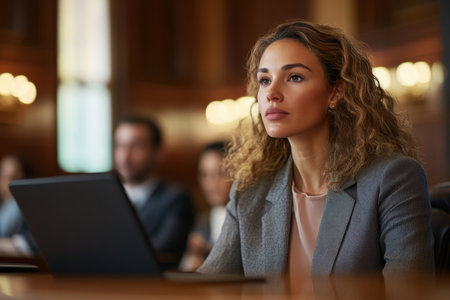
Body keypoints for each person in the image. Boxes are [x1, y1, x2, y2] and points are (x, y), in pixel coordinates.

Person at [198, 19, 434, 277]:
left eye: (294, 77)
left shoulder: (394, 178)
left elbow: (409, 292)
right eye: (264, 80)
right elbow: (210, 285)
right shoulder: (250, 190)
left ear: (335, 92)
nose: (271, 93)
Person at [114, 116, 194, 268]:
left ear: (158, 152)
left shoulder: (176, 199)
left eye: (136, 146)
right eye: (120, 146)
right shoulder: (105, 200)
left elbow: (162, 251)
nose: (125, 156)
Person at [179, 141, 232, 271]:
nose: (211, 183)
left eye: (220, 173)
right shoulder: (202, 220)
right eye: (204, 175)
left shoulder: (247, 220)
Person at [0, 154, 34, 255]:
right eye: (3, 175)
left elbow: (31, 244)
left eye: (14, 176)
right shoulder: (3, 206)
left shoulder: (33, 208)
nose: (7, 180)